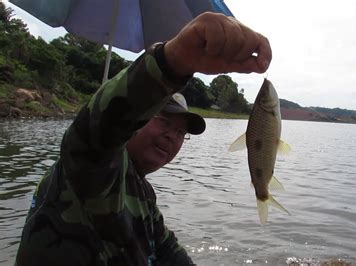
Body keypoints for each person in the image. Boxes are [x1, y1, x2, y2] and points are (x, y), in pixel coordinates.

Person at [15, 12, 271, 266]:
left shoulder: (143, 197)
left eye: (181, 132)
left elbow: (169, 254)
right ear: (137, 118)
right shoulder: (93, 168)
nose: (172, 135)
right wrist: (173, 61)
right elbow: (99, 127)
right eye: (164, 121)